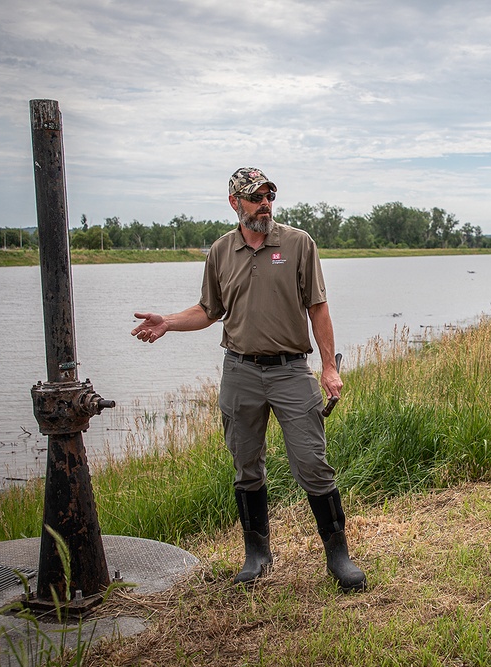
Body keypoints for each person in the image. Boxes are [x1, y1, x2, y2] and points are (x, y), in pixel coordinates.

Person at [131, 167, 366, 592]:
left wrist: (329, 367)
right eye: (254, 196)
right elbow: (208, 310)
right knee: (246, 466)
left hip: (291, 370)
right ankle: (257, 555)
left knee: (312, 463)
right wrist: (167, 321)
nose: (264, 203)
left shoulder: (298, 244)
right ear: (234, 202)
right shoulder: (221, 251)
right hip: (239, 371)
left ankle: (339, 556)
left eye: (268, 196)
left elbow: (318, 308)